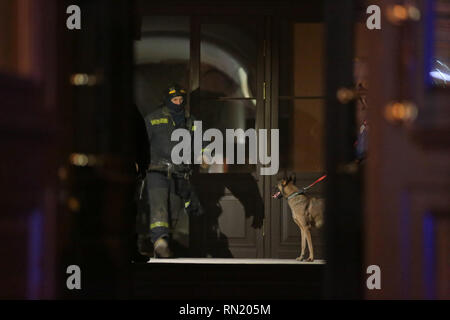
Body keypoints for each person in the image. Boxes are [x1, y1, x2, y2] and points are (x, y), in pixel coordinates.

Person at [142, 84, 204, 258]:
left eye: (180, 100)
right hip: (157, 171)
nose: (178, 103)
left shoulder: (190, 120)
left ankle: (167, 246)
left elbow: (201, 142)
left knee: (175, 210)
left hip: (179, 173)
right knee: (159, 206)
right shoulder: (153, 119)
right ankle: (159, 240)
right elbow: (141, 142)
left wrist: (205, 155)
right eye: (174, 100)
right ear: (167, 101)